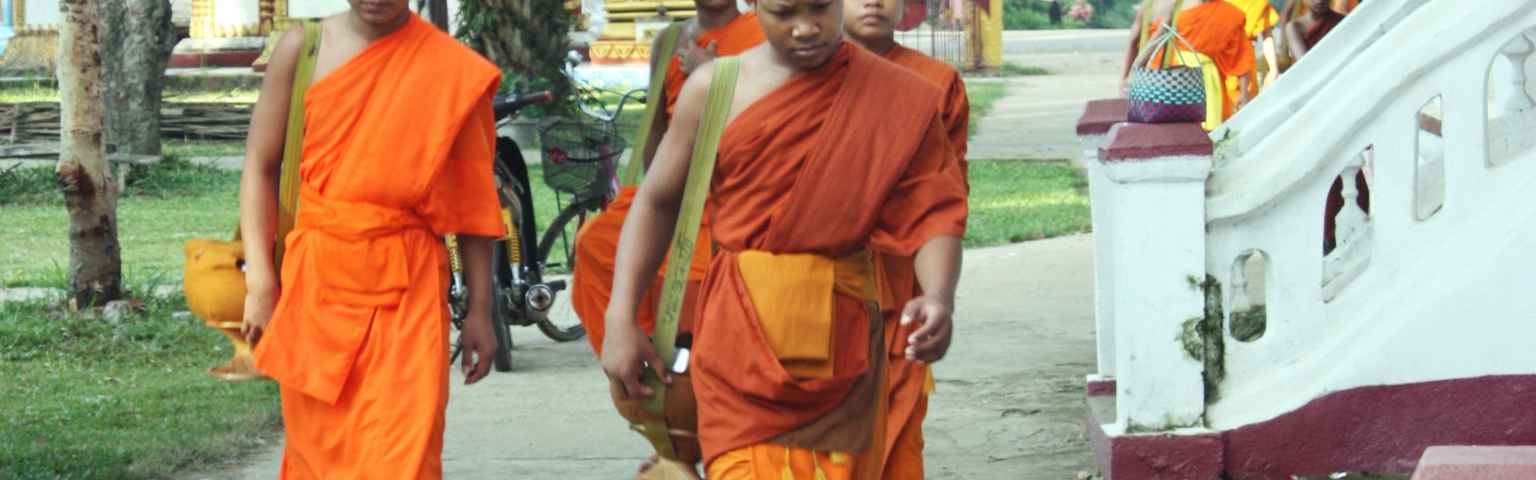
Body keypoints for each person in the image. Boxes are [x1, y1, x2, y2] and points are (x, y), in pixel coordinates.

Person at [600, 0, 968, 477]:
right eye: (784, 13)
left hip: (842, 351)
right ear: (754, 5)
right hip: (738, 343)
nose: (806, 28)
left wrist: (939, 295)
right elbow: (657, 202)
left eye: (820, 8)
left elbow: (933, 213)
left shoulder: (900, 97)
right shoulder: (715, 90)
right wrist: (620, 315)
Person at [238, 1, 504, 477]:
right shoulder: (303, 49)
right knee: (319, 456)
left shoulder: (450, 70)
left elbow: (472, 205)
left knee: (405, 456)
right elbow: (260, 168)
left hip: (410, 291)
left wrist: (481, 310)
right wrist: (260, 283)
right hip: (317, 288)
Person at [570, 0, 765, 357]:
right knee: (594, 244)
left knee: (698, 280)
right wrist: (651, 194)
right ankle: (638, 354)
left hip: (734, 187)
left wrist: (716, 73)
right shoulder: (669, 40)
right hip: (675, 186)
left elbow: (770, 117)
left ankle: (696, 367)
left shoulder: (763, 33)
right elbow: (657, 126)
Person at [841, 0, 969, 476]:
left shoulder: (935, 84)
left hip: (897, 288)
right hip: (803, 292)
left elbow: (942, 204)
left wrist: (939, 295)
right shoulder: (784, 81)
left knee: (892, 438)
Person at [1121, 0, 1254, 129]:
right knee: (1201, 136)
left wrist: (1128, 76)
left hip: (1162, 84)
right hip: (1195, 85)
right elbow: (1241, 57)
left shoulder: (1228, 14)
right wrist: (1243, 95)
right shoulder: (1228, 13)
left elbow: (1136, 42)